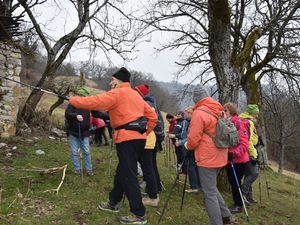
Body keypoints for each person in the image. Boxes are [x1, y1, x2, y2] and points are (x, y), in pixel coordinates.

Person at [69, 67, 157, 225]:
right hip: (138, 139)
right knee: (122, 171)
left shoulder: (119, 92)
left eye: (112, 80)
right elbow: (152, 117)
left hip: (126, 139)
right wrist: (143, 132)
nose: (110, 83)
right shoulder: (136, 96)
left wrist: (74, 100)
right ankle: (113, 202)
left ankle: (139, 213)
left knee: (129, 175)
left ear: (119, 81)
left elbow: (96, 101)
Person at [185, 85, 232, 225]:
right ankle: (226, 215)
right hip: (221, 154)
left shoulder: (199, 113)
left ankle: (217, 223)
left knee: (209, 193)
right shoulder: (219, 109)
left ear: (196, 98)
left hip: (207, 157)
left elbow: (193, 139)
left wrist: (187, 145)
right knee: (211, 188)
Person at [135, 84, 164, 204]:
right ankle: (155, 189)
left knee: (148, 168)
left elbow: (153, 122)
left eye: (136, 91)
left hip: (147, 139)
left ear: (141, 94)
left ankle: (153, 196)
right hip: (148, 139)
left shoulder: (147, 104)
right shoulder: (148, 103)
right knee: (150, 166)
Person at [224, 103, 250, 214]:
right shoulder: (226, 123)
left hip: (238, 159)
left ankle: (239, 205)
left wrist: (234, 154)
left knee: (235, 182)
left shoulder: (239, 123)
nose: (223, 112)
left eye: (225, 110)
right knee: (232, 181)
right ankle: (237, 202)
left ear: (231, 111)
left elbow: (244, 144)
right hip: (229, 159)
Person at [65, 87, 94, 176]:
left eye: (84, 96)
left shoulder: (88, 105)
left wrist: (108, 118)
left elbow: (97, 113)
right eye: (81, 96)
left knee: (86, 151)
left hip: (84, 132)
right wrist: (76, 115)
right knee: (74, 152)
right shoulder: (72, 103)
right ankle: (77, 168)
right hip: (74, 131)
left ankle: (89, 169)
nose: (83, 98)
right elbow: (67, 114)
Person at [175, 106, 201, 193]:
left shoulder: (193, 122)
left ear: (191, 113)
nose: (185, 114)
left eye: (187, 113)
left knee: (191, 167)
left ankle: (194, 187)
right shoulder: (186, 121)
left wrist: (181, 142)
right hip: (185, 145)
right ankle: (197, 185)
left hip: (190, 146)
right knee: (192, 166)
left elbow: (190, 136)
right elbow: (183, 134)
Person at [240, 104, 260, 205]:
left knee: (249, 173)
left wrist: (258, 140)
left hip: (248, 150)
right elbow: (248, 140)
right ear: (252, 113)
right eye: (256, 113)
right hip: (249, 151)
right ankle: (243, 194)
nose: (257, 115)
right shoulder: (248, 122)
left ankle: (249, 197)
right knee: (254, 173)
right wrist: (253, 154)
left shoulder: (247, 120)